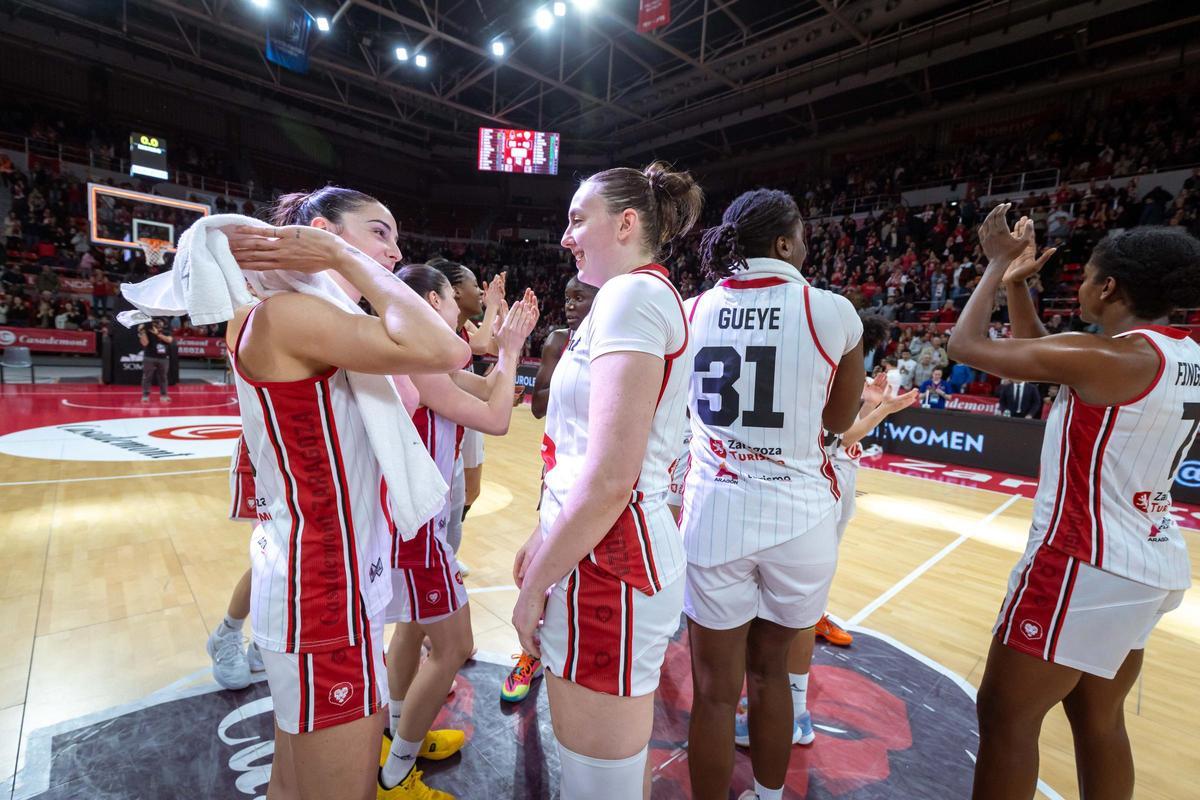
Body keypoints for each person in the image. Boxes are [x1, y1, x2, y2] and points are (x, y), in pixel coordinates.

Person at [223, 186, 470, 800]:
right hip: (322, 590)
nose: (393, 249)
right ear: (321, 231)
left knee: (295, 786)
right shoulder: (287, 313)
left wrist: (345, 261)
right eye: (378, 232)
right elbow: (444, 346)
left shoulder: (323, 318)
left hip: (336, 580)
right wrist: (342, 258)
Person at [948, 205, 1200, 800]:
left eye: (1087, 276)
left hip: (1081, 561)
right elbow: (1047, 361)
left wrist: (996, 264)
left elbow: (965, 345)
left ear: (1109, 287)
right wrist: (1017, 287)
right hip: (1150, 561)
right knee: (1098, 719)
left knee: (1006, 717)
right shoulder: (1176, 356)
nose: (1081, 285)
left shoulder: (1112, 358)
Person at [511, 161, 703, 800]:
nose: (565, 236)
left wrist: (534, 588)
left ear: (625, 224)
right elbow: (579, 456)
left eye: (576, 220)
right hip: (598, 554)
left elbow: (611, 478)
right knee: (607, 776)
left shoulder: (632, 296)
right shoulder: (624, 300)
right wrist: (545, 537)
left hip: (609, 566)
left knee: (598, 787)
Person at [682, 188, 864, 800]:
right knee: (772, 678)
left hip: (714, 513)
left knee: (712, 692)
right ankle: (767, 796)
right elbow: (838, 424)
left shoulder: (691, 309)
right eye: (804, 236)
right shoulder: (833, 311)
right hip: (800, 517)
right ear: (784, 243)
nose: (807, 246)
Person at [379, 265, 538, 799]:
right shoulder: (420, 359)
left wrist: (507, 352)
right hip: (417, 529)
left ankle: (399, 735)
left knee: (410, 631)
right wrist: (511, 349)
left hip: (404, 522)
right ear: (432, 300)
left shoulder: (422, 356)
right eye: (452, 296)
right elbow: (496, 418)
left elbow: (490, 388)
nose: (459, 311)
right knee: (454, 646)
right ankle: (396, 773)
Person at [501, 275, 599, 706]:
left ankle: (580, 648)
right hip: (559, 470)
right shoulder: (560, 340)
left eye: (581, 296)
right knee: (542, 568)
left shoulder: (623, 339)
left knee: (586, 574)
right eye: (567, 296)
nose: (571, 303)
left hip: (601, 475)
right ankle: (530, 654)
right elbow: (538, 405)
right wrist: (565, 365)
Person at [428, 258, 506, 572]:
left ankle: (446, 562)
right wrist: (493, 310)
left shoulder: (457, 332)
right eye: (476, 286)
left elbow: (491, 356)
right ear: (454, 292)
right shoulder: (438, 340)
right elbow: (481, 345)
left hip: (458, 428)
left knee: (461, 499)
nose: (481, 292)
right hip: (442, 436)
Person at [138, 318, 173, 403]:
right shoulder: (148, 331)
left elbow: (169, 340)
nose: (158, 325)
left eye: (159, 323)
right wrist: (141, 331)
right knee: (147, 377)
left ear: (163, 325)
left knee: (163, 377)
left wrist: (158, 334)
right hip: (149, 357)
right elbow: (144, 343)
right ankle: (145, 395)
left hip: (163, 358)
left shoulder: (166, 332)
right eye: (155, 323)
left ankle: (164, 395)